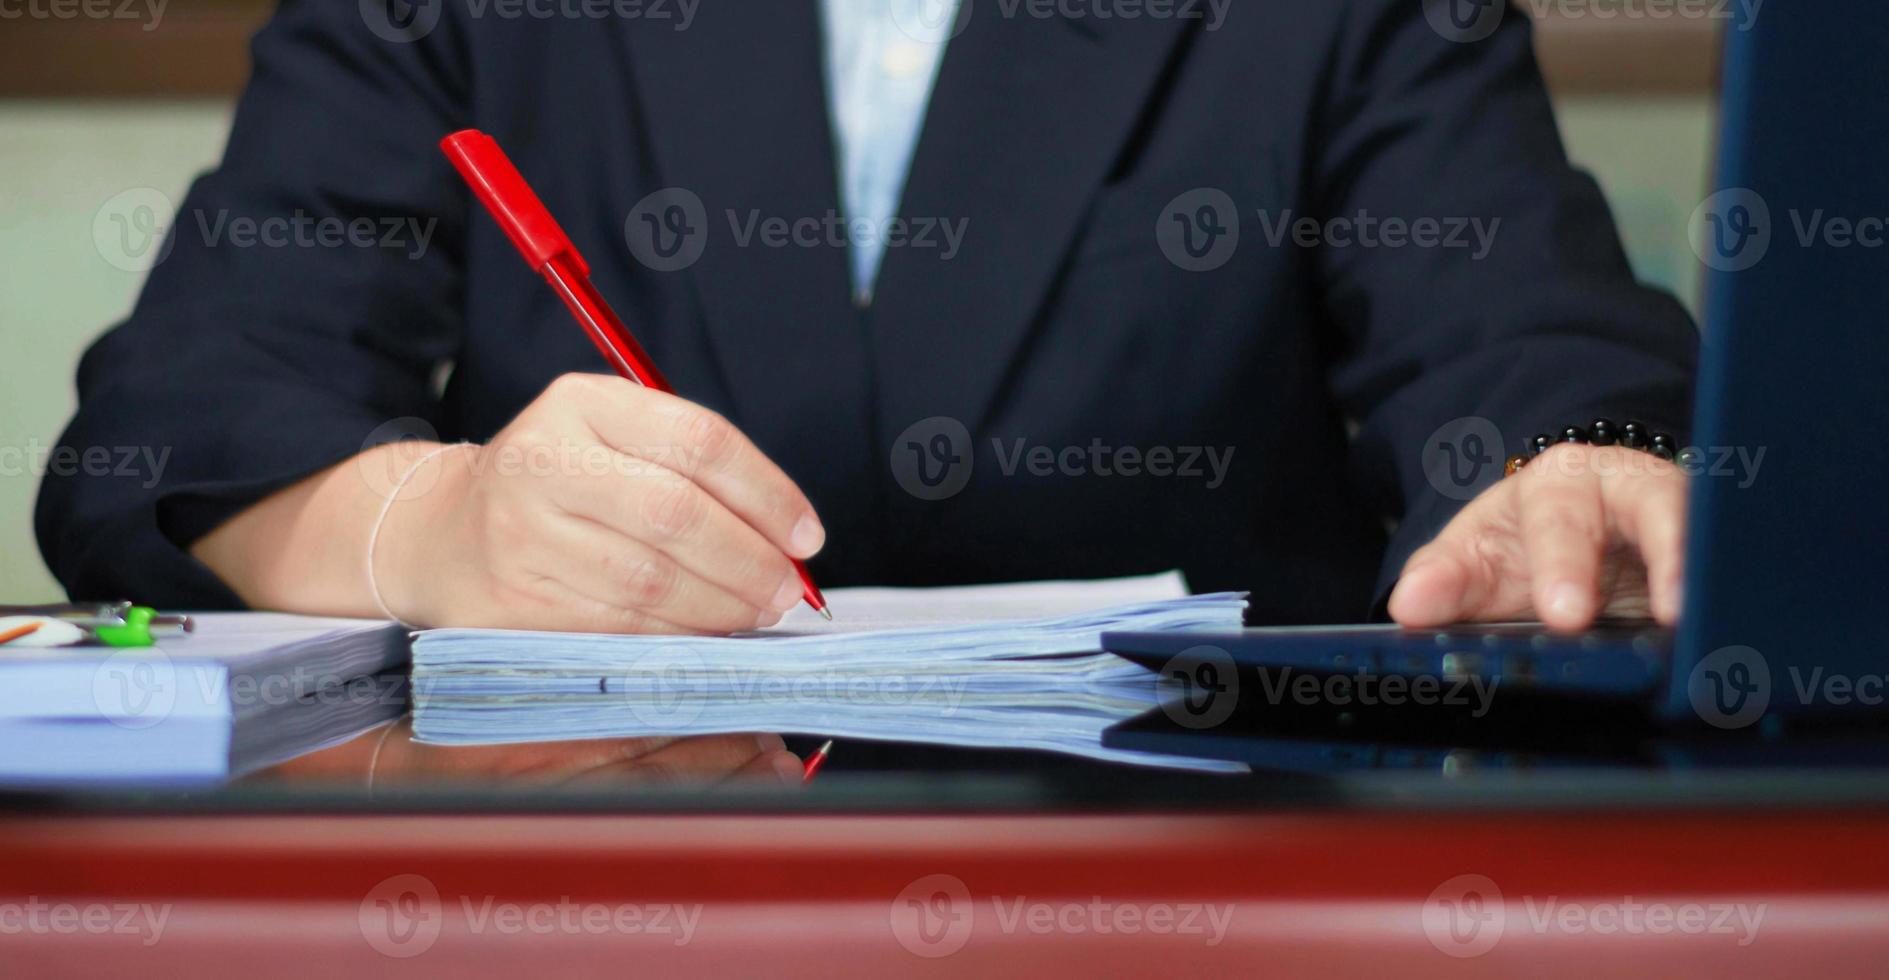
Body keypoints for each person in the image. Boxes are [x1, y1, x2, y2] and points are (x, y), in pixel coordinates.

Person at [37, 1, 1698, 780]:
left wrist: (1576, 467)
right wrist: (423, 527)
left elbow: (1521, 345)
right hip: (586, 889)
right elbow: (187, 410)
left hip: (1206, 900)